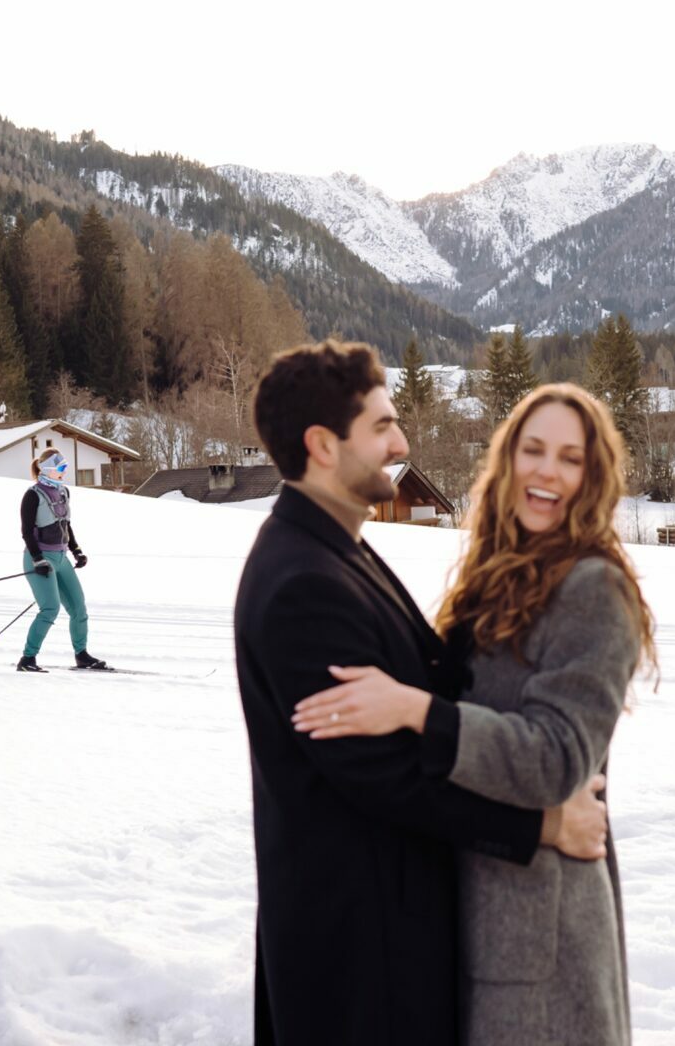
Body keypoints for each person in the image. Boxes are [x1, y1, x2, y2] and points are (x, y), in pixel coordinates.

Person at [234, 341, 612, 1046]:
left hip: (393, 937)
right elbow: (381, 774)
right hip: (363, 957)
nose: (401, 443)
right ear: (323, 445)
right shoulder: (303, 584)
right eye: (382, 426)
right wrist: (543, 826)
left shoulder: (336, 547)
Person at [15, 447, 109, 673]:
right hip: (39, 558)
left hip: (61, 557)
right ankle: (27, 659)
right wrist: (38, 559)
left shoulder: (64, 492)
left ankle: (82, 655)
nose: (65, 471)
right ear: (48, 468)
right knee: (50, 609)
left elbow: (66, 524)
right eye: (61, 467)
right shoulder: (32, 495)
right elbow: (26, 531)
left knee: (78, 608)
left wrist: (76, 550)